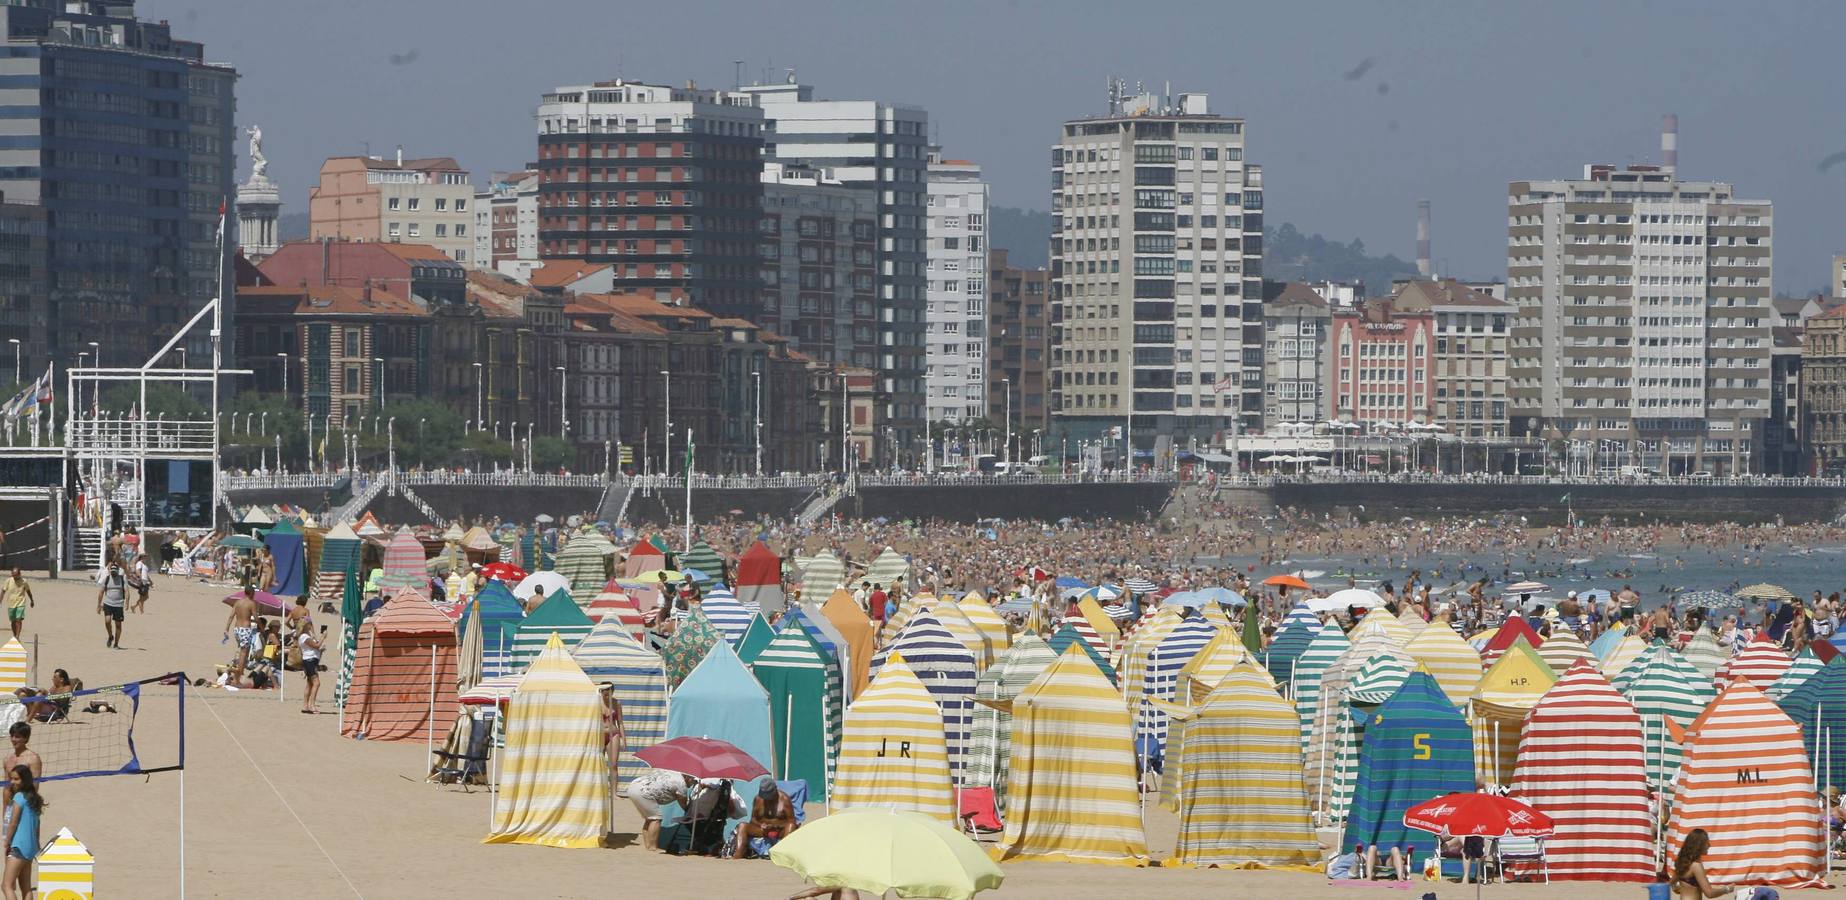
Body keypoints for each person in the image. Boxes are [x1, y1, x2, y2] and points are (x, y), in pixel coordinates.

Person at [626, 769, 694, 853]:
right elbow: (683, 804)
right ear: (687, 777)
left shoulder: (672, 772)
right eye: (692, 780)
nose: (692, 783)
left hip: (633, 787)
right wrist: (690, 813)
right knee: (656, 819)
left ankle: (648, 845)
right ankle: (653, 846)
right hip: (644, 792)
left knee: (649, 819)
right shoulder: (681, 784)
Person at [1, 764, 42, 900]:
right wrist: (37, 844)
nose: (12, 782)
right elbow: (37, 825)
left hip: (18, 846)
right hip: (30, 847)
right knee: (26, 888)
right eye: (11, 779)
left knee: (6, 886)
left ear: (24, 780)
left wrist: (7, 841)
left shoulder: (19, 797)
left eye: (16, 779)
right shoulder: (34, 798)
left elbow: (13, 823)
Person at [732, 776, 797, 860]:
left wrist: (776, 826)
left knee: (791, 826)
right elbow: (753, 819)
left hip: (779, 831)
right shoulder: (758, 799)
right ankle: (738, 854)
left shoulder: (785, 800)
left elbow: (792, 821)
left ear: (775, 790)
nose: (767, 798)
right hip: (762, 830)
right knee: (742, 826)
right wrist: (761, 825)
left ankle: (783, 854)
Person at [1672, 828, 1728, 899]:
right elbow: (1709, 893)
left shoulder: (1683, 862)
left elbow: (1671, 882)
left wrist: (1679, 888)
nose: (1709, 845)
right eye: (1706, 843)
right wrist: (1726, 889)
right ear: (1699, 845)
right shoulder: (1696, 866)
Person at [223, 586, 259, 684]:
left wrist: (226, 629)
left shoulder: (237, 602)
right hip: (245, 629)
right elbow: (256, 617)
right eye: (253, 593)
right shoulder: (251, 603)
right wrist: (261, 626)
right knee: (243, 652)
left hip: (237, 629)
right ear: (251, 593)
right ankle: (239, 674)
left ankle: (240, 671)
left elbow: (231, 616)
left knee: (243, 651)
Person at [95, 561, 128, 649]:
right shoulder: (106, 579)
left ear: (117, 571)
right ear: (110, 571)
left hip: (119, 604)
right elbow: (101, 592)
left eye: (115, 571)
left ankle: (116, 644)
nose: (113, 573)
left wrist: (127, 602)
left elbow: (127, 591)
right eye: (112, 571)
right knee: (107, 621)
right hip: (108, 603)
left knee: (118, 625)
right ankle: (110, 636)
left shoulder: (122, 579)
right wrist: (99, 604)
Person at [298, 624, 325, 714]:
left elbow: (315, 647)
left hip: (311, 661)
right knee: (316, 683)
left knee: (309, 684)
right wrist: (323, 637)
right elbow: (316, 646)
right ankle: (312, 705)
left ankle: (305, 706)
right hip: (309, 661)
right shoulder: (304, 637)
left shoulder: (307, 636)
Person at [0, 570, 30, 641]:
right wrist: (0, 600)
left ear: (19, 574)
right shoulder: (8, 581)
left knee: (18, 620)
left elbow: (28, 591)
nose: (14, 577)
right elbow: (3, 591)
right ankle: (14, 635)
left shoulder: (24, 581)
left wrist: (31, 600)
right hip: (11, 604)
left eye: (16, 575)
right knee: (13, 621)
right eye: (13, 575)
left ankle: (17, 636)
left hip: (21, 603)